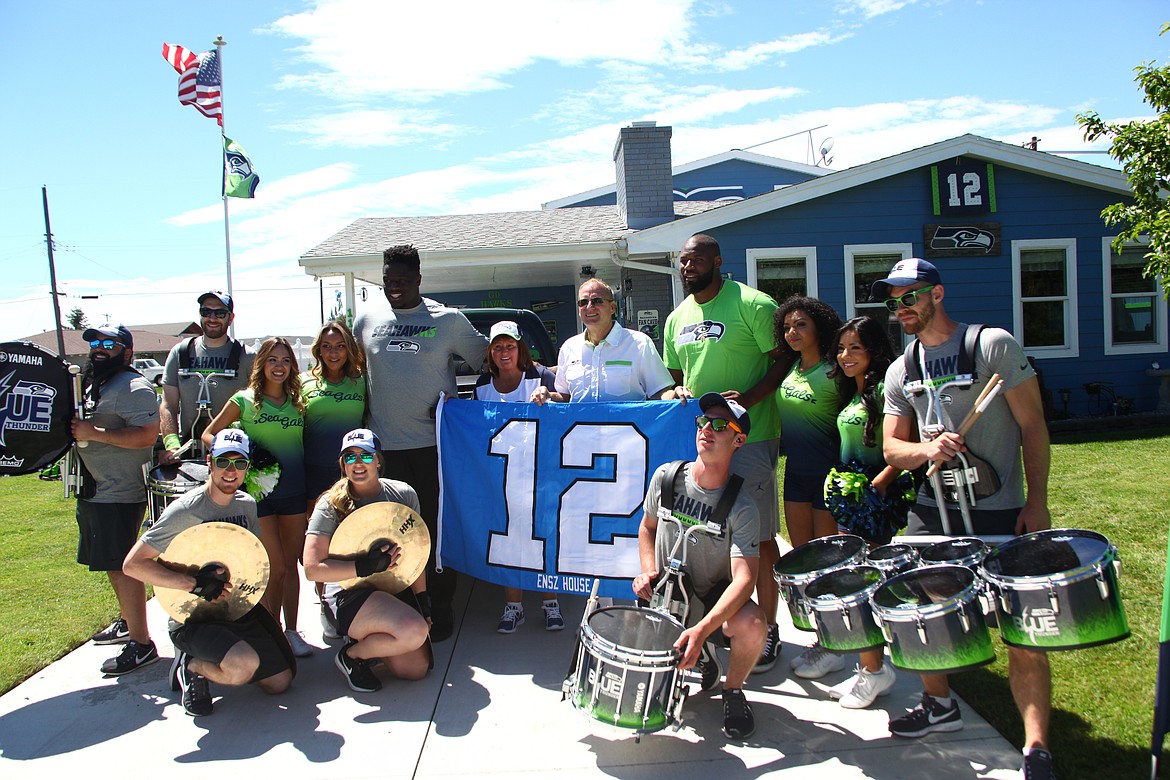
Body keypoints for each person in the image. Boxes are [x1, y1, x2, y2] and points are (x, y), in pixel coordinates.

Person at [876, 258, 1055, 779]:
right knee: (923, 616)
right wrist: (926, 449)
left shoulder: (992, 346)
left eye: (909, 297)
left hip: (999, 507)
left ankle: (1036, 746)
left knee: (1021, 628)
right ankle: (939, 704)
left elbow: (1034, 427)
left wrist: (1037, 501)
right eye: (893, 301)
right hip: (932, 513)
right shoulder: (900, 368)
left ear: (938, 293)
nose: (900, 308)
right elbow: (891, 447)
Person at [662, 233, 786, 674]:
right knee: (703, 531)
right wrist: (676, 390)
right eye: (682, 261)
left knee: (761, 535)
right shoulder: (676, 318)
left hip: (750, 438)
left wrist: (746, 402)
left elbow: (782, 359)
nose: (687, 267)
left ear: (717, 259)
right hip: (704, 438)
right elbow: (677, 374)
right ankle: (712, 624)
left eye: (696, 259)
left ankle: (768, 629)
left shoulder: (754, 304)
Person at [353, 244, 489, 641]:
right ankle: (401, 605)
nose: (394, 287)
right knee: (389, 531)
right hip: (382, 450)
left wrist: (461, 409)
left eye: (402, 280)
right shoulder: (366, 319)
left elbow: (491, 363)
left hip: (433, 447)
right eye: (387, 279)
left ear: (418, 279)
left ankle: (440, 605)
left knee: (432, 529)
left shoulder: (447, 320)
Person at [122, 430, 295, 716]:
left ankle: (226, 655)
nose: (231, 471)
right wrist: (191, 583)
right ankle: (192, 667)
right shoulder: (185, 510)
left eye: (239, 464)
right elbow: (133, 564)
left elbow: (250, 564)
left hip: (234, 608)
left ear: (248, 468)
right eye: (223, 462)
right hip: (193, 617)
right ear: (209, 463)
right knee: (242, 666)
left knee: (280, 682)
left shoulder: (247, 505)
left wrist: (267, 617)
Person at [633, 393, 768, 740]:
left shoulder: (743, 506)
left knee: (753, 624)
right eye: (703, 421)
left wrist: (704, 628)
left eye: (720, 425)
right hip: (665, 598)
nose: (707, 428)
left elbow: (745, 579)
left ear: (739, 440)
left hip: (710, 599)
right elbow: (647, 529)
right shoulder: (666, 478)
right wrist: (647, 569)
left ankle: (733, 690)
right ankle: (702, 654)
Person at [819, 316, 915, 708]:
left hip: (874, 500)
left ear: (874, 351)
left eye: (855, 348)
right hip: (851, 499)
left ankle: (876, 671)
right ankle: (868, 667)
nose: (845, 356)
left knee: (861, 583)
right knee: (851, 580)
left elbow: (906, 445)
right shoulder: (852, 392)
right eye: (841, 349)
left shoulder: (882, 395)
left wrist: (876, 486)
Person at [202, 337, 311, 658]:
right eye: (273, 360)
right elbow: (209, 433)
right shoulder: (244, 400)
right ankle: (270, 633)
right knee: (273, 568)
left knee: (291, 567)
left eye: (286, 361)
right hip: (257, 496)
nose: (279, 366)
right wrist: (240, 454)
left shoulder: (298, 400)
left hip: (294, 492)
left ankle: (291, 632)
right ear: (261, 364)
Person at [303, 429, 432, 692]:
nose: (358, 463)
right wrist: (362, 566)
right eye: (349, 458)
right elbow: (312, 569)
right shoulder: (330, 505)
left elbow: (416, 553)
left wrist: (424, 604)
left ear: (378, 461)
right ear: (342, 464)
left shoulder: (403, 494)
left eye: (365, 455)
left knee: (415, 670)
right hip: (347, 592)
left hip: (388, 587)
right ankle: (352, 656)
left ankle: (369, 640)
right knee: (413, 631)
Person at [72, 324, 161, 675]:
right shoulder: (97, 383)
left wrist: (94, 433)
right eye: (94, 342)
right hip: (94, 489)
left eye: (108, 343)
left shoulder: (135, 386)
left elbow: (146, 436)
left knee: (124, 566)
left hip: (121, 492)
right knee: (111, 564)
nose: (99, 348)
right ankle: (128, 622)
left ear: (126, 351)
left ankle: (141, 645)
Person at [771, 295, 847, 680]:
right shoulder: (790, 370)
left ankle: (837, 643)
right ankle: (823, 639)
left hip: (828, 477)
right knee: (803, 562)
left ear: (819, 326)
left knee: (828, 565)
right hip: (795, 475)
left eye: (801, 324)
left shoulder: (837, 372)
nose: (792, 331)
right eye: (787, 326)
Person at [472, 321, 564, 633]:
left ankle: (550, 602)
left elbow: (569, 402)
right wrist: (449, 406)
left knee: (545, 537)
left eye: (510, 345)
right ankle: (514, 606)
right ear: (490, 352)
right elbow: (473, 427)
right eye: (497, 346)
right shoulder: (483, 384)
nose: (504, 352)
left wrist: (550, 395)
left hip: (543, 476)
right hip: (503, 478)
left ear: (520, 348)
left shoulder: (541, 376)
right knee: (508, 541)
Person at [301, 319, 367, 640]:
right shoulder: (304, 384)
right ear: (318, 350)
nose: (333, 352)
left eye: (340, 345)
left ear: (349, 349)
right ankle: (325, 605)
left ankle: (350, 603)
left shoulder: (361, 383)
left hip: (352, 475)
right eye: (327, 346)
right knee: (320, 544)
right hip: (315, 473)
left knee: (351, 542)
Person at [542, 278, 674, 403]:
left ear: (612, 308)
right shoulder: (568, 348)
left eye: (597, 301)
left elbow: (660, 391)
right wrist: (547, 395)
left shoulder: (639, 343)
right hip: (582, 428)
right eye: (583, 302)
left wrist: (673, 395)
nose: (589, 306)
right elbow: (565, 396)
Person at [159, 291, 253, 463]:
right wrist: (172, 445)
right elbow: (168, 405)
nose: (212, 318)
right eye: (206, 312)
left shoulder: (247, 356)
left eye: (220, 313)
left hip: (232, 453)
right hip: (188, 450)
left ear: (230, 318)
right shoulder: (180, 353)